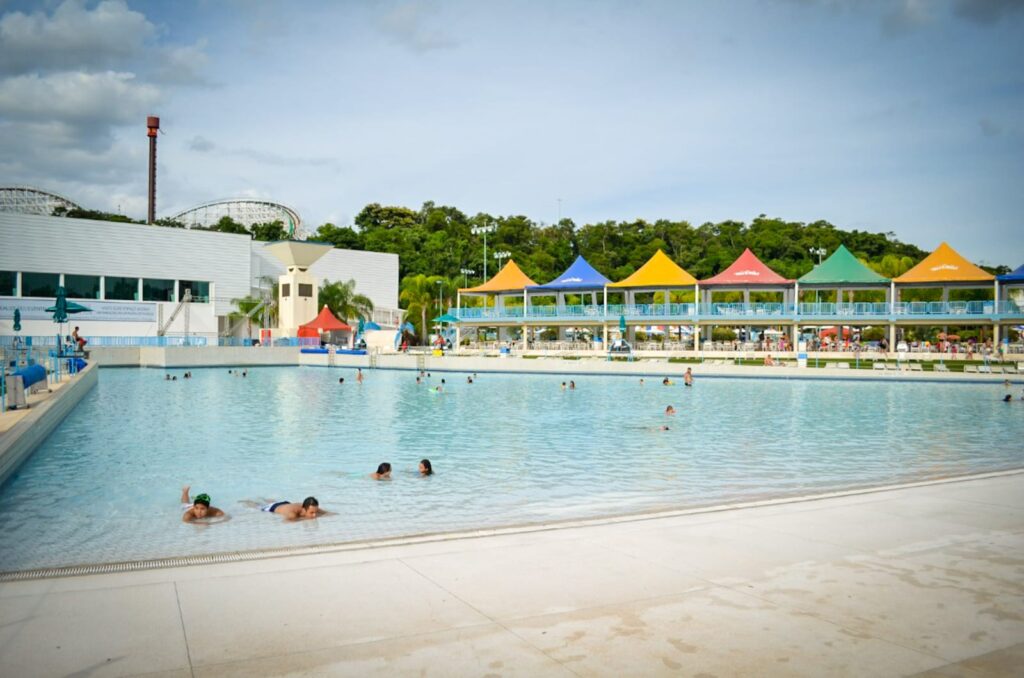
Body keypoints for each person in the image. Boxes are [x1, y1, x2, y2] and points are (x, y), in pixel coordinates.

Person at [257, 497, 327, 521]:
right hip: (273, 508)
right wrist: (304, 519)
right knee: (257, 505)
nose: (315, 515)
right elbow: (285, 521)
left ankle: (262, 498)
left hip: (286, 503)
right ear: (305, 509)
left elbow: (328, 513)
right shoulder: (292, 514)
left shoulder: (311, 507)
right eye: (311, 513)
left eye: (315, 512)